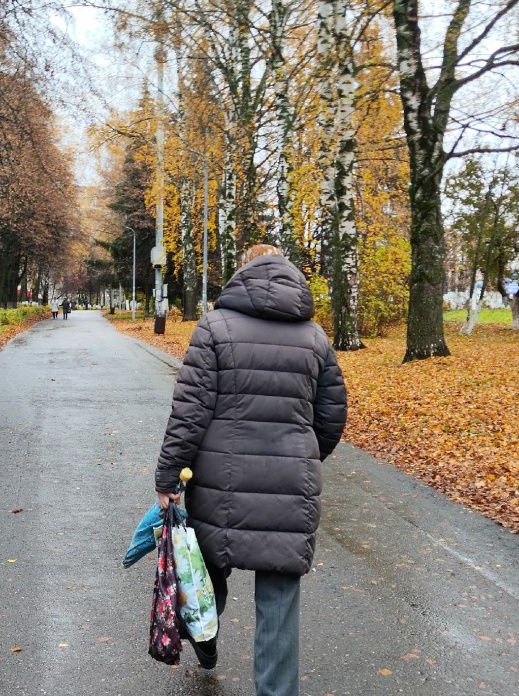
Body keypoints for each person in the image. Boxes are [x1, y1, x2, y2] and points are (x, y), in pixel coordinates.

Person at [153, 244, 347, 696]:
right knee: (278, 602)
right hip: (290, 489)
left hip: (218, 484)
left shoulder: (215, 327)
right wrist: (302, 457)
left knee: (206, 572)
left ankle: (205, 637)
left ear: (243, 273)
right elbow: (332, 415)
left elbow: (189, 412)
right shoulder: (315, 337)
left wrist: (168, 476)